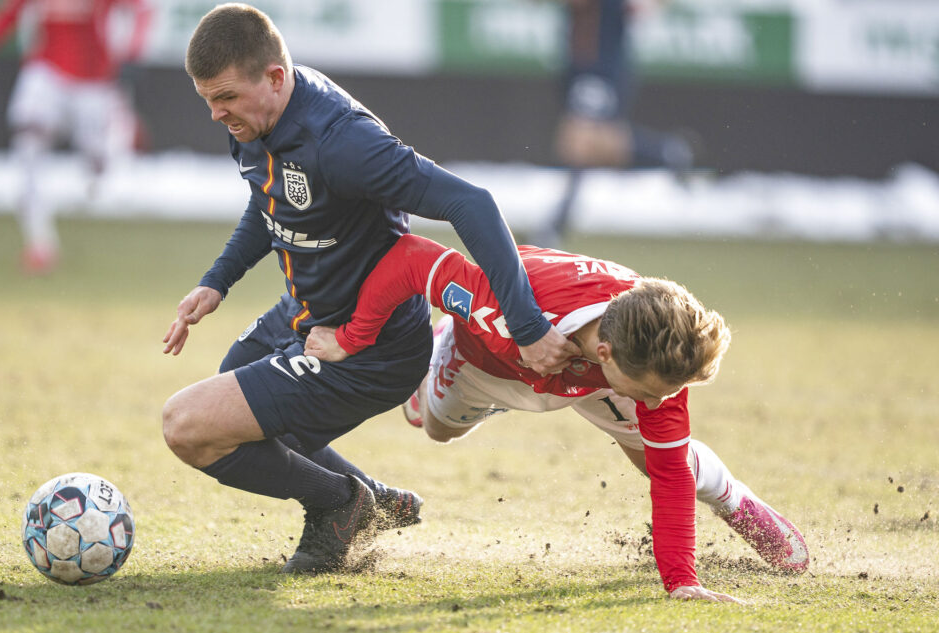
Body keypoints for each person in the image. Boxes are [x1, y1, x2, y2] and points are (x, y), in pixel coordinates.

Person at [160, 4, 579, 575]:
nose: (215, 114)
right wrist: (217, 281)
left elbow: (470, 202)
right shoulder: (254, 118)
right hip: (305, 314)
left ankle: (337, 504)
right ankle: (371, 499)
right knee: (231, 397)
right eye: (207, 99)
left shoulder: (342, 142)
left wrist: (528, 327)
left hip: (371, 345)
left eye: (225, 97)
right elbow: (272, 198)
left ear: (275, 78)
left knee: (189, 428)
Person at [304, 233, 810, 602]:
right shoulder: (502, 307)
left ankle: (732, 497)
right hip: (488, 361)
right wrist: (353, 337)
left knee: (656, 458)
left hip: (589, 376)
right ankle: (440, 352)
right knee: (437, 428)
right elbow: (412, 257)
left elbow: (671, 471)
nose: (663, 402)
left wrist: (682, 580)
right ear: (606, 352)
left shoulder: (654, 361)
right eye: (655, 394)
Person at [0, 0, 152, 274]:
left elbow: (143, 10)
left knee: (97, 165)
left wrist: (133, 53)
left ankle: (117, 134)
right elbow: (10, 12)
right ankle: (41, 246)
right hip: (46, 72)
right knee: (27, 145)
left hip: (93, 81)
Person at [535, 0, 695, 247]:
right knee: (602, 145)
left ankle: (556, 225)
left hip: (602, 71)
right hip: (577, 68)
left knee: (579, 144)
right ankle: (667, 152)